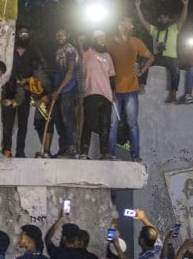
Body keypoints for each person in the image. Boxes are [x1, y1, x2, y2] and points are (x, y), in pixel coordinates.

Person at [106, 17, 153, 162]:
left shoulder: (136, 42)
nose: (132, 25)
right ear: (121, 25)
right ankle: (110, 154)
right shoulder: (109, 42)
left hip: (132, 88)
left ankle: (135, 155)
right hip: (114, 89)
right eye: (129, 22)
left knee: (132, 124)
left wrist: (141, 71)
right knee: (112, 124)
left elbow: (150, 57)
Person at [135, 0, 189, 104]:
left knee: (176, 70)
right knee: (145, 62)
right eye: (160, 18)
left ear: (168, 20)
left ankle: (173, 94)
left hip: (171, 58)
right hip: (157, 57)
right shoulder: (154, 30)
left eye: (164, 18)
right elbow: (143, 21)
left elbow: (182, 19)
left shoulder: (174, 28)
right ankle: (141, 86)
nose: (162, 19)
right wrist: (137, 7)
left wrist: (185, 5)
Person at [2, 25, 44, 158]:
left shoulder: (34, 51)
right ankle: (6, 150)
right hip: (9, 89)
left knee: (23, 124)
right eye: (21, 33)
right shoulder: (9, 49)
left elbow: (41, 69)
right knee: (7, 123)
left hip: (25, 91)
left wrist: (29, 80)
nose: (23, 35)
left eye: (26, 33)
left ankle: (20, 151)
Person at [79, 30, 115, 159]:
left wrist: (113, 93)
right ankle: (83, 152)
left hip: (106, 95)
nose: (103, 40)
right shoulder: (87, 52)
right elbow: (81, 39)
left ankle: (104, 153)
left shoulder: (107, 56)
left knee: (105, 125)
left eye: (104, 38)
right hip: (91, 92)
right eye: (100, 38)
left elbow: (111, 77)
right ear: (94, 40)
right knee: (88, 123)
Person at [51, 28, 79, 158]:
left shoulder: (70, 49)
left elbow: (70, 71)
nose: (59, 36)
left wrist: (59, 89)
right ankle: (63, 149)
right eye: (57, 34)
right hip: (58, 90)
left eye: (62, 34)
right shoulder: (57, 50)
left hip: (67, 88)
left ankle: (72, 149)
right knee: (59, 121)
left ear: (67, 35)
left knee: (68, 119)